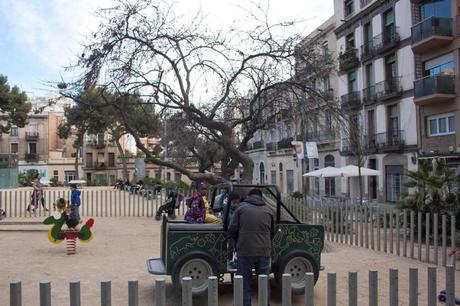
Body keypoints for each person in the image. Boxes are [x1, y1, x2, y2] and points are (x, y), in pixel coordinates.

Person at [228, 188, 275, 306]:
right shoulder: (269, 210)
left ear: (249, 196)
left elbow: (232, 229)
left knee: (244, 284)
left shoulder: (240, 208)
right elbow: (273, 231)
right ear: (261, 197)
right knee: (264, 282)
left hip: (244, 251)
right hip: (264, 251)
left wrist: (239, 241)